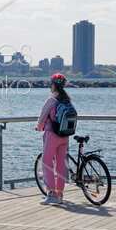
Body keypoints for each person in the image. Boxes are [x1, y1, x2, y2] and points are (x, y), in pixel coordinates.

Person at [36, 72, 71, 205]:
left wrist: (39, 127)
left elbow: (42, 117)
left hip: (52, 135)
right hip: (64, 135)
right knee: (61, 164)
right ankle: (60, 194)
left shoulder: (51, 100)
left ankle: (51, 194)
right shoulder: (66, 99)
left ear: (53, 86)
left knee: (47, 163)